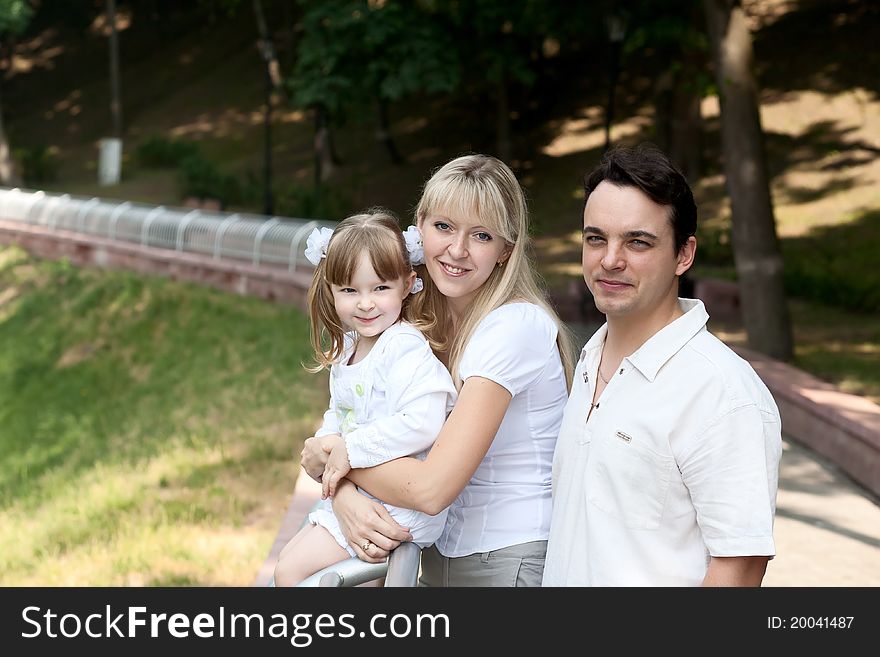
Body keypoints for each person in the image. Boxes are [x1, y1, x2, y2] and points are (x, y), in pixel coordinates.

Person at [301, 154, 575, 586]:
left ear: (506, 248)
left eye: (481, 235)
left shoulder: (513, 327)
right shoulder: (411, 321)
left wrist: (335, 458)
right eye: (443, 227)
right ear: (420, 227)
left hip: (507, 557)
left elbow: (430, 488)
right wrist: (344, 497)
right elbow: (370, 426)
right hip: (437, 555)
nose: (457, 250)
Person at [542, 143, 783, 587]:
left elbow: (739, 569)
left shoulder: (723, 392)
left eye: (637, 242)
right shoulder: (590, 358)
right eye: (596, 238)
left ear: (683, 255)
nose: (610, 259)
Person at [273, 210, 457, 586]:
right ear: (331, 290)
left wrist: (346, 448)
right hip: (368, 492)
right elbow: (339, 413)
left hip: (396, 502)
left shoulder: (403, 347)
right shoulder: (350, 350)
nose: (365, 303)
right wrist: (326, 444)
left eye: (380, 288)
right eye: (350, 290)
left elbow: (422, 421)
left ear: (407, 284)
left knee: (290, 572)